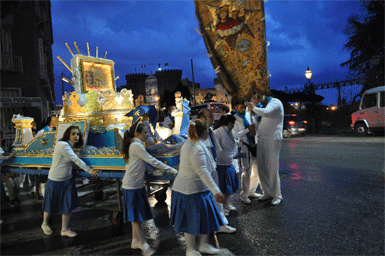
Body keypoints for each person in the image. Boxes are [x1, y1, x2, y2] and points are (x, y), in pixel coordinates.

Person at [171, 119, 226, 256]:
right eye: (207, 130)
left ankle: (203, 245)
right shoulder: (194, 147)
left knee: (205, 218)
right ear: (203, 132)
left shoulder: (196, 144)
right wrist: (216, 191)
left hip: (199, 189)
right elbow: (202, 171)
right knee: (190, 221)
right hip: (189, 191)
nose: (209, 132)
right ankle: (190, 249)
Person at [121, 122, 177, 256]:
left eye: (147, 132)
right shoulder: (136, 146)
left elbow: (144, 164)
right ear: (137, 134)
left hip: (135, 185)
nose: (147, 135)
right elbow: (151, 160)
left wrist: (155, 171)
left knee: (137, 216)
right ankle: (143, 244)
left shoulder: (136, 145)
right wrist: (171, 169)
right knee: (136, 217)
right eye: (145, 133)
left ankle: (135, 240)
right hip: (132, 186)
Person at [41, 126, 100, 237]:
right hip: (55, 179)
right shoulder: (63, 145)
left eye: (77, 134)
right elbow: (75, 159)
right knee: (50, 203)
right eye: (73, 134)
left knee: (67, 205)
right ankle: (44, 224)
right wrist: (90, 170)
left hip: (67, 180)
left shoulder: (70, 146)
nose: (76, 136)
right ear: (67, 134)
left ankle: (64, 229)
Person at [198, 109, 236, 234]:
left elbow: (217, 150)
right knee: (206, 199)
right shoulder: (196, 132)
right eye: (210, 117)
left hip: (213, 168)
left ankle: (221, 223)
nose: (213, 119)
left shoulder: (209, 131)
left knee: (217, 198)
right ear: (202, 118)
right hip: (203, 172)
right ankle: (206, 227)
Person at [247, 92, 284, 205]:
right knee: (261, 167)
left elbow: (267, 113)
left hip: (272, 139)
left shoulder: (275, 102)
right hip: (262, 139)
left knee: (272, 167)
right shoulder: (262, 107)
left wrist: (253, 108)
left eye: (258, 96)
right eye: (255, 97)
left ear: (265, 94)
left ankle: (277, 195)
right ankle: (267, 193)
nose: (257, 99)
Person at [213, 115, 239, 216]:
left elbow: (231, 145)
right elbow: (216, 148)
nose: (233, 126)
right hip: (220, 164)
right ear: (229, 123)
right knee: (222, 188)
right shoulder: (218, 132)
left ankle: (226, 204)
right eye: (233, 124)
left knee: (229, 186)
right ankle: (221, 208)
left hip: (228, 163)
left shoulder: (228, 132)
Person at [232, 100, 256, 204]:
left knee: (255, 170)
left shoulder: (247, 116)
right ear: (235, 107)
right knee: (246, 170)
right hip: (244, 147)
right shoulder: (234, 119)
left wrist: (252, 132)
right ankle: (244, 194)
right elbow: (234, 135)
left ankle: (251, 191)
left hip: (253, 145)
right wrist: (247, 130)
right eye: (241, 107)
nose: (243, 109)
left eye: (244, 107)